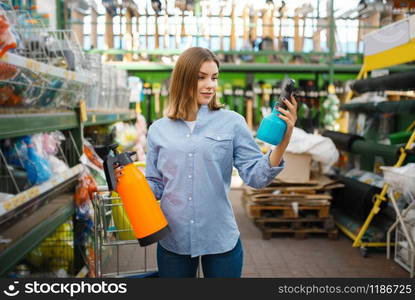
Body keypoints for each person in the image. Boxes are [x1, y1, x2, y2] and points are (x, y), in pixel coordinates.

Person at [128, 47, 296, 278]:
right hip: (174, 240)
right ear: (183, 79)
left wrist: (284, 141)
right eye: (201, 77)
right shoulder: (158, 130)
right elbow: (155, 185)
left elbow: (256, 177)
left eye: (214, 77)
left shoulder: (233, 123)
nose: (210, 85)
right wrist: (128, 182)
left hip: (219, 237)